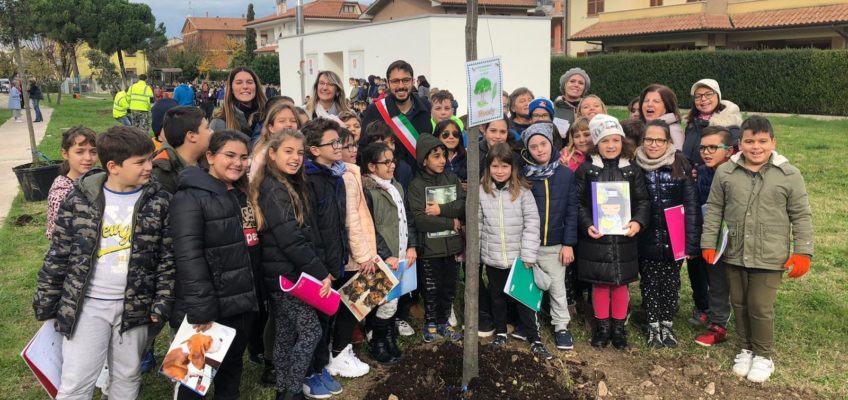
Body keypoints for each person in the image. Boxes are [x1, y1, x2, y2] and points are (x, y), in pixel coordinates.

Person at [33, 126, 174, 399]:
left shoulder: (160, 202)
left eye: (150, 159)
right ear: (113, 166)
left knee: (127, 375)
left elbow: (167, 258)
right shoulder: (79, 200)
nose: (149, 166)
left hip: (134, 308)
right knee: (76, 379)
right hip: (87, 307)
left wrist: (161, 302)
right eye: (141, 162)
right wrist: (47, 301)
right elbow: (59, 254)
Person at [701, 116, 813, 383]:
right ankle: (745, 348)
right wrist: (708, 242)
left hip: (769, 255)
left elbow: (801, 215)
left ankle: (763, 355)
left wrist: (803, 252)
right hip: (735, 252)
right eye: (749, 141)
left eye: (762, 141)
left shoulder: (789, 175)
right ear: (740, 144)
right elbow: (715, 208)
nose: (756, 147)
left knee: (759, 306)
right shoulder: (725, 172)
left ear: (773, 142)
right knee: (738, 303)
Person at [169, 130, 259, 399]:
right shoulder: (190, 197)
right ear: (210, 156)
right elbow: (188, 254)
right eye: (229, 155)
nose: (237, 163)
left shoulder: (241, 193)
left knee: (231, 367)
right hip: (209, 303)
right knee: (194, 376)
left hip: (240, 299)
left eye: (244, 157)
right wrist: (200, 307)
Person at [250, 129, 334, 400]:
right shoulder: (274, 189)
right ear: (272, 154)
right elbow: (291, 239)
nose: (296, 158)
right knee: (311, 332)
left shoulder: (287, 184)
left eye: (299, 152)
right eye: (288, 151)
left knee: (286, 333)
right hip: (287, 276)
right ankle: (293, 390)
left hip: (286, 275)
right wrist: (321, 273)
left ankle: (283, 389)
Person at [302, 119, 370, 384]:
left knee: (331, 316)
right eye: (333, 142)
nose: (339, 146)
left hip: (336, 257)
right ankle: (317, 370)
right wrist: (323, 267)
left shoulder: (337, 177)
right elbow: (314, 228)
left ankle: (326, 364)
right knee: (318, 322)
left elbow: (342, 222)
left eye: (339, 141)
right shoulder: (310, 181)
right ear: (314, 149)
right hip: (321, 264)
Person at [575, 114, 650, 350]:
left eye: (616, 141)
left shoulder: (632, 171)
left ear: (622, 142)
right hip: (596, 240)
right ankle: (602, 326)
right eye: (605, 141)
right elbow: (578, 203)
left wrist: (637, 222)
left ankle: (618, 327)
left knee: (620, 284)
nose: (611, 146)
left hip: (623, 240)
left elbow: (643, 201)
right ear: (597, 143)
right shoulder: (587, 170)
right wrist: (587, 223)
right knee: (599, 285)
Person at [478, 142, 552, 358]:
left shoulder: (523, 192)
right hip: (493, 257)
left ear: (512, 168)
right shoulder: (482, 191)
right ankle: (501, 332)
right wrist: (478, 255)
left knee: (524, 300)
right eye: (495, 167)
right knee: (497, 298)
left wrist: (528, 255)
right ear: (488, 167)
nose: (500, 171)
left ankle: (535, 338)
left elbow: (532, 223)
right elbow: (478, 224)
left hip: (518, 258)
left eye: (504, 167)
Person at [634, 119, 701, 349]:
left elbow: (691, 207)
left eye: (659, 140)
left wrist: (691, 243)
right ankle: (653, 325)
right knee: (650, 282)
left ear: (668, 141)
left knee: (671, 283)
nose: (653, 145)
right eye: (649, 140)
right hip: (646, 237)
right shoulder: (635, 165)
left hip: (675, 239)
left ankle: (667, 323)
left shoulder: (680, 164)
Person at [520, 123, 578, 352]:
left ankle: (561, 326)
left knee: (556, 287)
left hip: (555, 244)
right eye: (533, 146)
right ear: (528, 150)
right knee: (528, 286)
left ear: (551, 143)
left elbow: (572, 209)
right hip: (529, 245)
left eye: (543, 144)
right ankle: (528, 324)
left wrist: (568, 244)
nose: (539, 150)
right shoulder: (523, 175)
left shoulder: (565, 174)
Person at [408, 133, 465, 342]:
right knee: (431, 287)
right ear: (424, 160)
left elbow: (461, 204)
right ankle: (430, 322)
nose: (442, 160)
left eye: (444, 155)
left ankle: (444, 322)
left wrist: (441, 209)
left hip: (452, 246)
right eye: (436, 156)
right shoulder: (416, 186)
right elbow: (420, 220)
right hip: (429, 248)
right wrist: (450, 222)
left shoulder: (451, 179)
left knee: (449, 286)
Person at [693, 126, 735, 347]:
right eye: (702, 147)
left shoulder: (738, 172)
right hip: (712, 235)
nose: (707, 152)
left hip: (737, 236)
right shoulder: (700, 172)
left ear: (729, 151)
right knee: (716, 279)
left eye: (713, 147)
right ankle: (718, 323)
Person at [362, 60, 431, 190]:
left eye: (405, 80)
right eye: (395, 81)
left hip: (423, 184)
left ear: (413, 81)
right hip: (388, 186)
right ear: (388, 83)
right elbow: (364, 149)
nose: (401, 86)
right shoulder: (374, 110)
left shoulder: (426, 107)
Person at [47, 127, 97, 240]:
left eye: (93, 152)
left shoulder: (97, 179)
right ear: (65, 154)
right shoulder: (61, 192)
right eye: (80, 152)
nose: (88, 158)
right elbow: (61, 236)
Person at [152, 106, 213, 194]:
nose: (212, 132)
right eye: (207, 128)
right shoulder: (163, 174)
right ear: (192, 136)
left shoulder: (209, 160)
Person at [683, 79, 743, 166]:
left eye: (708, 94)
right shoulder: (691, 124)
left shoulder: (730, 126)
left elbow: (736, 159)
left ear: (718, 96)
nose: (703, 99)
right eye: (698, 96)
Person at [211, 67, 268, 138]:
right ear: (231, 89)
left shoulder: (270, 116)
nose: (245, 86)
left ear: (256, 87)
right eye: (239, 83)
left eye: (249, 82)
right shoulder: (219, 123)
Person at [639, 84, 684, 151]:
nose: (649, 104)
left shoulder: (673, 130)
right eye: (646, 101)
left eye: (656, 101)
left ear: (667, 106)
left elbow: (678, 157)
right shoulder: (642, 126)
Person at [435, 119, 467, 184]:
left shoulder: (467, 158)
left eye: (455, 134)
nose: (451, 137)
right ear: (437, 137)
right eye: (445, 134)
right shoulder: (431, 160)